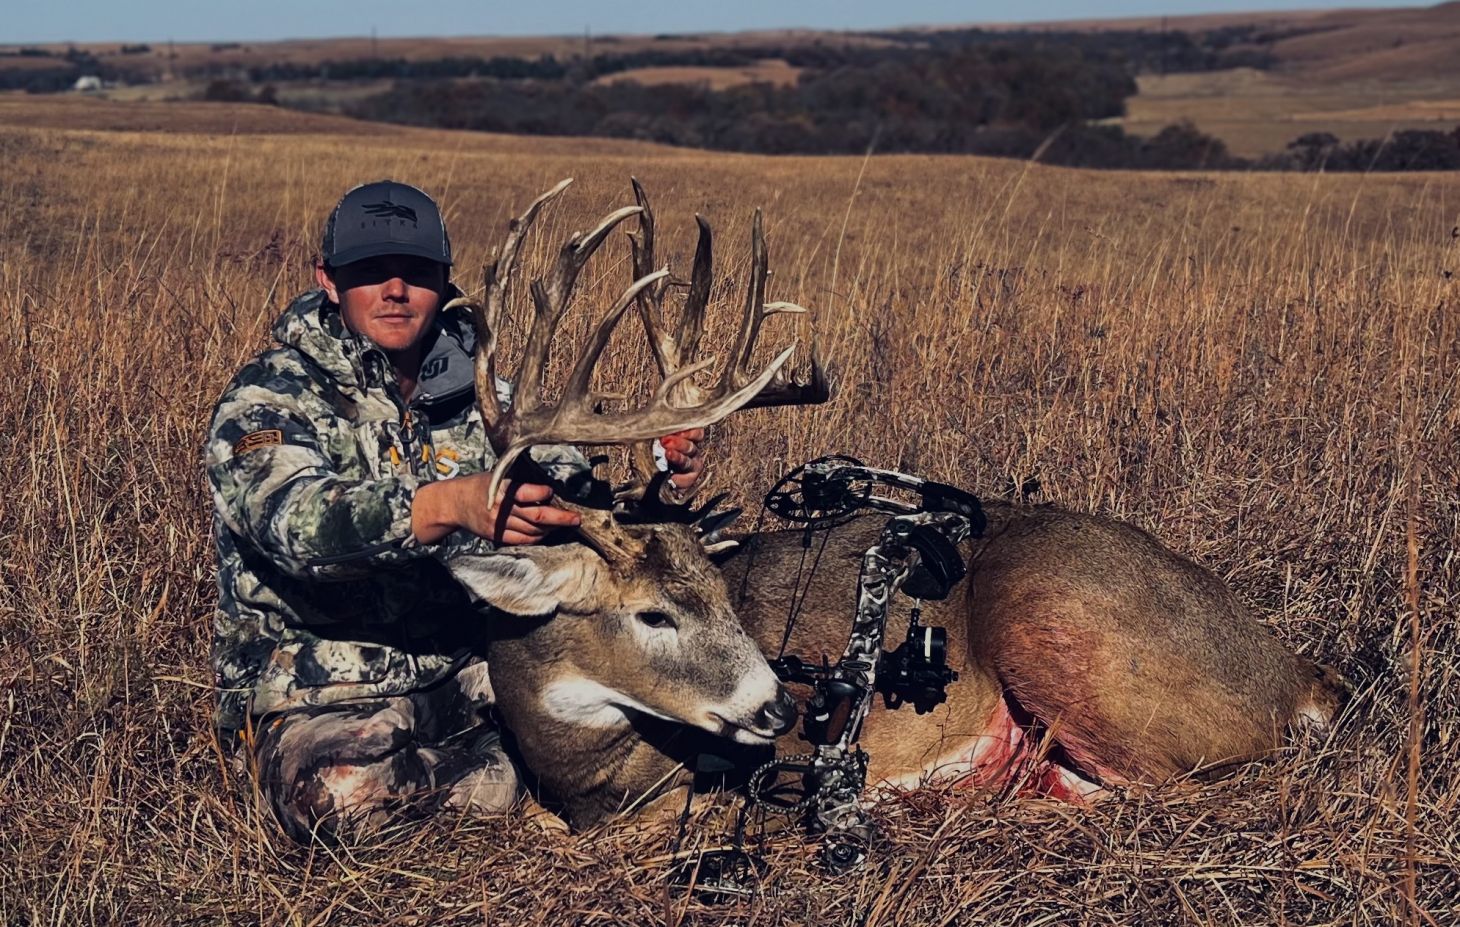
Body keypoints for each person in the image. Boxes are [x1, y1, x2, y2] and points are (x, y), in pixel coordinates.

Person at [203, 180, 705, 843]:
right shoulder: (269, 400)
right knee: (338, 796)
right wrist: (449, 505)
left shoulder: (488, 398)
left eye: (416, 272)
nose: (394, 290)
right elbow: (294, 526)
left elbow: (577, 515)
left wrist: (664, 483)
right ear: (327, 279)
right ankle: (520, 792)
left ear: (444, 281)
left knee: (674, 714)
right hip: (322, 691)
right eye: (368, 272)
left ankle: (526, 777)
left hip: (476, 670)